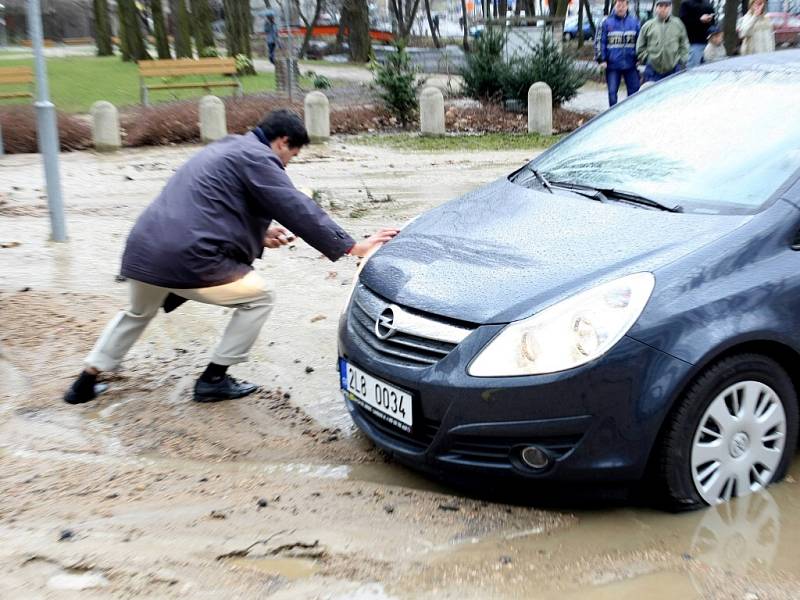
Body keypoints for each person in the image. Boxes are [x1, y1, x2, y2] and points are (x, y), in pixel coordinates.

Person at [63, 110, 399, 405]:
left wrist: (260, 235)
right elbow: (296, 207)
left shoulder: (226, 146)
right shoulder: (259, 157)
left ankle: (84, 382)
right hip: (184, 258)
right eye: (291, 156)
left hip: (144, 252)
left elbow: (210, 208)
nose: (286, 164)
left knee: (137, 312)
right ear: (282, 142)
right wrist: (353, 246)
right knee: (260, 298)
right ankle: (213, 379)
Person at [595, 0, 641, 107]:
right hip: (612, 65)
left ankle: (632, 113)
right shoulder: (606, 22)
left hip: (631, 64)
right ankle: (613, 115)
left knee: (635, 92)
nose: (621, 8)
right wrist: (601, 59)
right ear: (615, 6)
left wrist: (639, 57)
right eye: (619, 5)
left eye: (624, 5)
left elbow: (640, 41)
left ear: (627, 6)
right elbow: (599, 41)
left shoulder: (634, 22)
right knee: (612, 93)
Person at [637, 0, 690, 83]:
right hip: (652, 70)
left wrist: (681, 61)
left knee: (673, 94)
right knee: (653, 94)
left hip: (674, 69)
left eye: (666, 6)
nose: (663, 9)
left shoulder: (678, 24)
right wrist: (648, 59)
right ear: (656, 8)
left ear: (670, 8)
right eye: (660, 6)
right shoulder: (648, 26)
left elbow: (684, 44)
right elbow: (640, 47)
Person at [679, 0, 716, 67]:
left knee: (709, 70)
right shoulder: (686, 4)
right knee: (692, 71)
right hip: (693, 43)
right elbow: (683, 22)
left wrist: (709, 19)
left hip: (709, 44)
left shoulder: (708, 4)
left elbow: (713, 23)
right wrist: (699, 20)